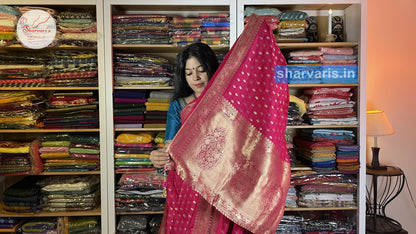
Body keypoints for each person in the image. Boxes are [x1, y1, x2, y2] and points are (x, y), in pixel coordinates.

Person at [151, 14, 291, 234]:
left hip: (222, 185)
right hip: (188, 185)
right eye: (188, 73)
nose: (195, 77)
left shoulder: (227, 102)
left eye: (200, 70)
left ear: (211, 68)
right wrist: (157, 156)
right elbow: (171, 150)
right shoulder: (178, 106)